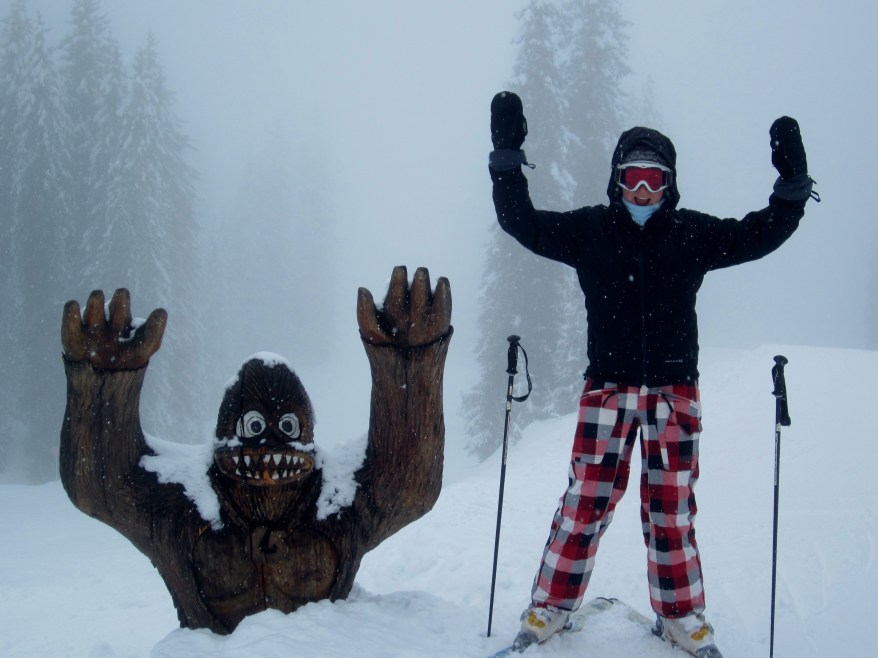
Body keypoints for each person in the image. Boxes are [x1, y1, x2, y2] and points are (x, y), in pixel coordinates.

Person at [487, 91, 817, 658]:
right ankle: (551, 608)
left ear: (670, 184)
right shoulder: (591, 231)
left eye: (654, 179)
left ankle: (682, 616)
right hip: (607, 390)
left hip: (674, 392)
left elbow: (757, 235)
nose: (643, 191)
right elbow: (522, 223)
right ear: (617, 180)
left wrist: (791, 188)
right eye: (633, 177)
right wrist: (507, 157)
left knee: (671, 506)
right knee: (586, 498)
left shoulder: (692, 234)